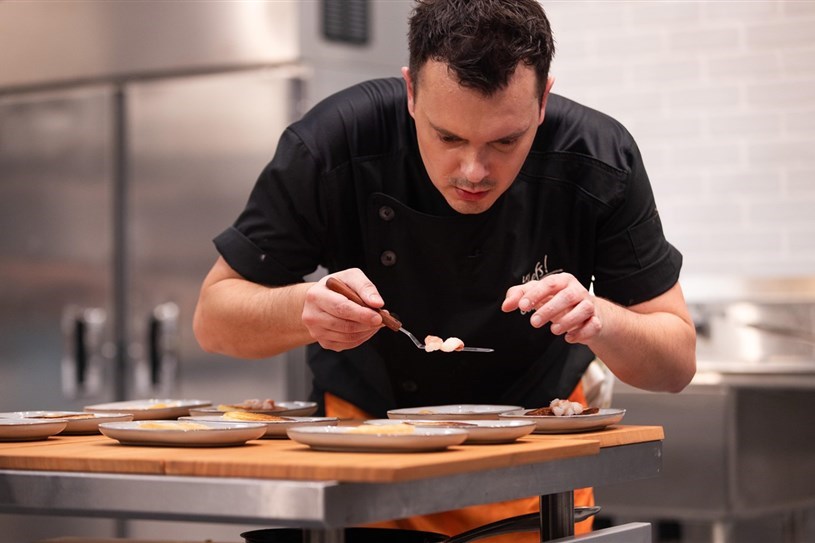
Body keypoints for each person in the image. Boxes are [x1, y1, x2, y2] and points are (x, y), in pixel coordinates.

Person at [193, 0, 696, 539]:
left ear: (544, 99)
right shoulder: (335, 142)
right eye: (448, 137)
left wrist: (602, 320)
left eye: (506, 140)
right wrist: (302, 307)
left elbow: (676, 363)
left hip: (530, 465)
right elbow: (213, 321)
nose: (474, 171)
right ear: (410, 92)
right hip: (364, 457)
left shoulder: (599, 157)